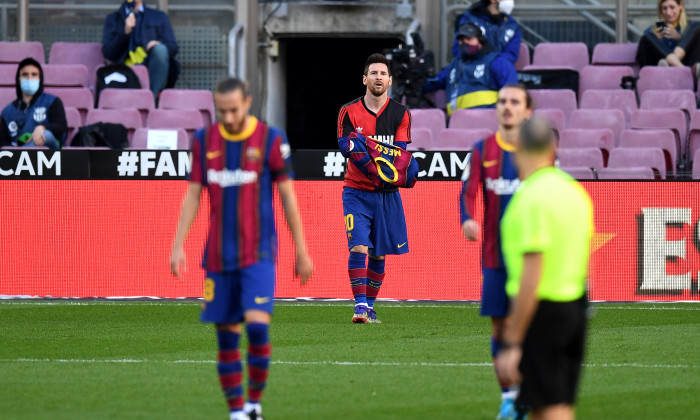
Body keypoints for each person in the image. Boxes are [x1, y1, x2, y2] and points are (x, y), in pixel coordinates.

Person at [170, 77, 313, 420]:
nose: (229, 117)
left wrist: (301, 250)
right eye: (221, 111)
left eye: (234, 110)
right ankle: (237, 413)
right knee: (228, 339)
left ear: (248, 102)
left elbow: (288, 196)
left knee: (258, 328)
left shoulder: (269, 139)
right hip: (218, 258)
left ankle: (254, 404)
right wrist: (178, 245)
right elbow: (193, 195)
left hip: (259, 254)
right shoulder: (204, 141)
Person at [497, 117, 593, 420]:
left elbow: (532, 273)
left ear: (517, 148)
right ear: (553, 148)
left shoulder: (530, 199)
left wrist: (512, 341)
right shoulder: (574, 192)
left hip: (543, 312)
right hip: (575, 308)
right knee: (558, 403)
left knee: (548, 407)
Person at [459, 84, 532, 420]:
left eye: (514, 102)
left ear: (526, 111)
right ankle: (509, 396)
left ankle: (528, 389)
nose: (507, 107)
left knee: (528, 326)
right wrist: (468, 218)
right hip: (494, 257)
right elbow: (468, 191)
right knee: (500, 328)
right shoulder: (481, 149)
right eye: (502, 101)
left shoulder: (539, 151)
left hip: (532, 257)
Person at [337, 53, 412, 324]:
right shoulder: (348, 110)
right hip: (356, 191)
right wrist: (373, 156)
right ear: (364, 79)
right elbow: (345, 146)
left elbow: (400, 155)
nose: (378, 77)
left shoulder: (401, 113)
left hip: (387, 194)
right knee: (358, 247)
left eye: (383, 73)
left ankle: (369, 306)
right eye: (374, 73)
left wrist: (365, 147)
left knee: (378, 252)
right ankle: (359, 306)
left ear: (390, 80)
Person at [425, 22, 518, 116]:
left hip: (488, 122)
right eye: (461, 40)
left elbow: (512, 93)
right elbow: (434, 82)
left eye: (469, 39)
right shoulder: (454, 65)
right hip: (456, 124)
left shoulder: (497, 62)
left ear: (481, 41)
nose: (464, 43)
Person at [102, 0, 180, 98]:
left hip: (151, 70)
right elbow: (109, 53)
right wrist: (125, 33)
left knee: (160, 50)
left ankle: (150, 99)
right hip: (124, 72)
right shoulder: (113, 19)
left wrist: (158, 44)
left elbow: (173, 48)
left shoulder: (159, 17)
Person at [0, 57, 67, 149]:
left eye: (34, 74)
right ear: (19, 79)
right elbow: (4, 144)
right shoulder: (7, 112)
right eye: (25, 74)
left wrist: (43, 128)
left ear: (40, 78)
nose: (29, 78)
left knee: (45, 134)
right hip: (17, 156)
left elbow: (61, 127)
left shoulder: (53, 101)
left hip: (51, 154)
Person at [451, 0, 521, 64]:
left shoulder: (512, 25)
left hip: (499, 72)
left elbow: (511, 55)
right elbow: (458, 50)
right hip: (471, 72)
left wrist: (491, 63)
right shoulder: (469, 19)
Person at [636, 0, 700, 69]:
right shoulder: (652, 32)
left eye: (672, 7)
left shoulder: (690, 27)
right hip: (659, 69)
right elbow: (642, 59)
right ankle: (683, 70)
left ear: (680, 6)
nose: (668, 13)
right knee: (647, 37)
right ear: (661, 10)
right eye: (664, 8)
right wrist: (655, 39)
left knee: (696, 26)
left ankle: (675, 65)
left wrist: (679, 38)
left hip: (686, 63)